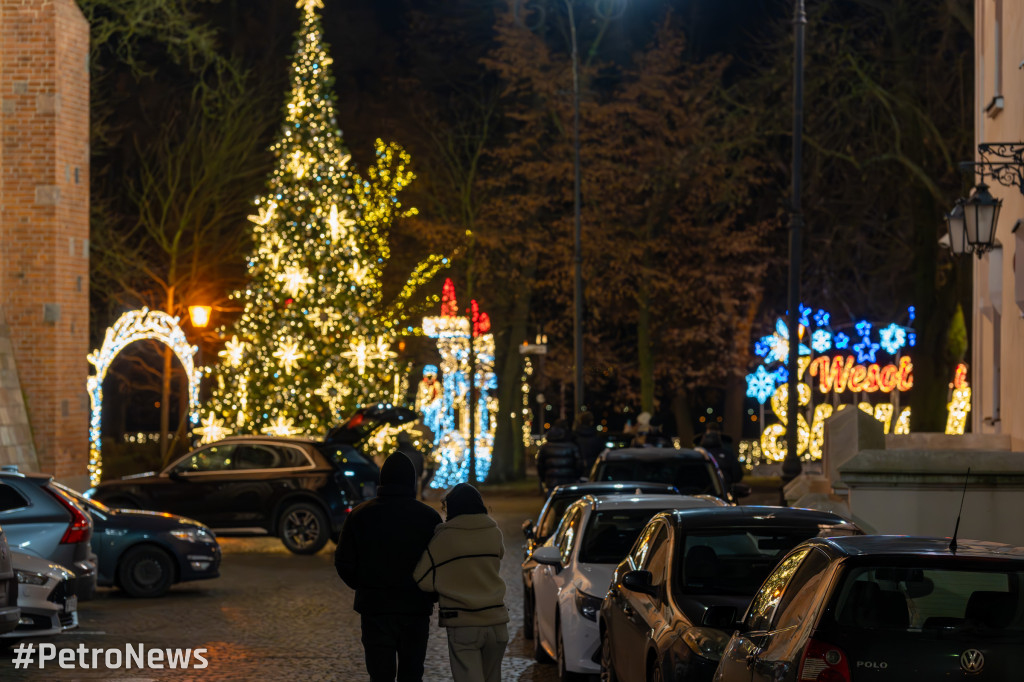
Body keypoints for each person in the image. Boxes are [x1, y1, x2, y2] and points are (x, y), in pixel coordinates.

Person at [335, 452, 442, 682]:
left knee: (380, 675)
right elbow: (440, 565)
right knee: (412, 674)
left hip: (375, 608)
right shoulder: (429, 518)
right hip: (415, 609)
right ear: (411, 482)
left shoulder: (359, 516)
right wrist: (430, 594)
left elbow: (343, 562)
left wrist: (363, 584)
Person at [413, 484, 508, 682]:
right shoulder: (494, 532)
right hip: (497, 622)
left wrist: (448, 582)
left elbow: (421, 578)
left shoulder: (445, 537)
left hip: (464, 624)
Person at [536, 419, 582, 494]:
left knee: (552, 503)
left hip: (551, 482)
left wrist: (544, 478)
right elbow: (579, 464)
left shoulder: (546, 447)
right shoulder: (572, 446)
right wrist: (576, 476)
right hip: (569, 482)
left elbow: (540, 464)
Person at [697, 422, 743, 488]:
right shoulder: (727, 448)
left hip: (702, 490)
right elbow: (737, 475)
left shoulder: (698, 452)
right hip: (722, 489)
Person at [397, 431, 425, 498]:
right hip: (413, 483)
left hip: (401, 485)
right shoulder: (416, 453)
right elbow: (420, 466)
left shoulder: (399, 453)